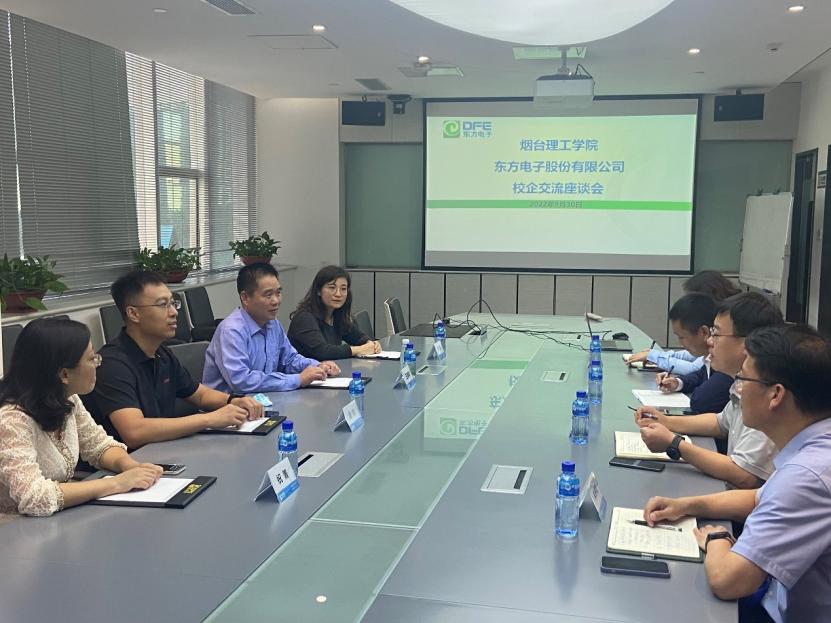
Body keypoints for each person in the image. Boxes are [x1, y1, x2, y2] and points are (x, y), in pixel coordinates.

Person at [642, 324, 831, 623]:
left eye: (743, 379)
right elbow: (760, 498)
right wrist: (687, 505)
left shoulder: (807, 475)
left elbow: (728, 581)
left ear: (776, 395)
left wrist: (717, 537)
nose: (737, 388)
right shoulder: (816, 447)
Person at [0, 318, 163, 517]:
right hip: (15, 528)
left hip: (57, 518)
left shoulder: (68, 399)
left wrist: (129, 466)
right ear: (64, 375)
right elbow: (34, 496)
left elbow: (98, 445)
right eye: (92, 358)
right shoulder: (11, 422)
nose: (98, 364)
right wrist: (117, 483)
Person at [84, 271, 264, 449]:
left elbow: (199, 395)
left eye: (173, 303)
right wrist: (209, 419)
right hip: (129, 461)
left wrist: (233, 400)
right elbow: (134, 432)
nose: (174, 312)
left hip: (163, 451)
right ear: (133, 314)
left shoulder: (162, 354)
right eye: (163, 305)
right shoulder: (112, 365)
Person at [635, 292, 783, 489]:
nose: (709, 342)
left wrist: (674, 443)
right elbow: (720, 423)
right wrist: (665, 421)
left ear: (749, 343)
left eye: (717, 334)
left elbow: (745, 475)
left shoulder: (766, 395)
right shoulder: (741, 383)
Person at [203, 263, 341, 393]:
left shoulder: (273, 324)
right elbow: (241, 381)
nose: (276, 301)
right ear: (245, 298)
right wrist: (298, 379)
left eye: (278, 293)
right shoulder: (231, 331)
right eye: (268, 295)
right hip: (229, 405)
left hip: (265, 400)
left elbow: (289, 359)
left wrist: (317, 366)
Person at [627, 270, 742, 373]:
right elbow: (696, 356)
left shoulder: (729, 323)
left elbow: (695, 368)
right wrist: (660, 355)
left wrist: (655, 357)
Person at [654, 293, 733, 414]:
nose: (680, 344)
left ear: (704, 332)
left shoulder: (726, 366)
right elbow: (700, 375)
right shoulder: (710, 359)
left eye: (682, 337)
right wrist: (677, 383)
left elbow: (701, 400)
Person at [287, 265, 380, 360]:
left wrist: (371, 344)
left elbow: (358, 337)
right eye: (332, 288)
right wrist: (359, 349)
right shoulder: (304, 318)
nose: (338, 294)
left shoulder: (337, 315)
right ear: (318, 291)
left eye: (343, 289)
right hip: (305, 369)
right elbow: (323, 352)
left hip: (330, 368)